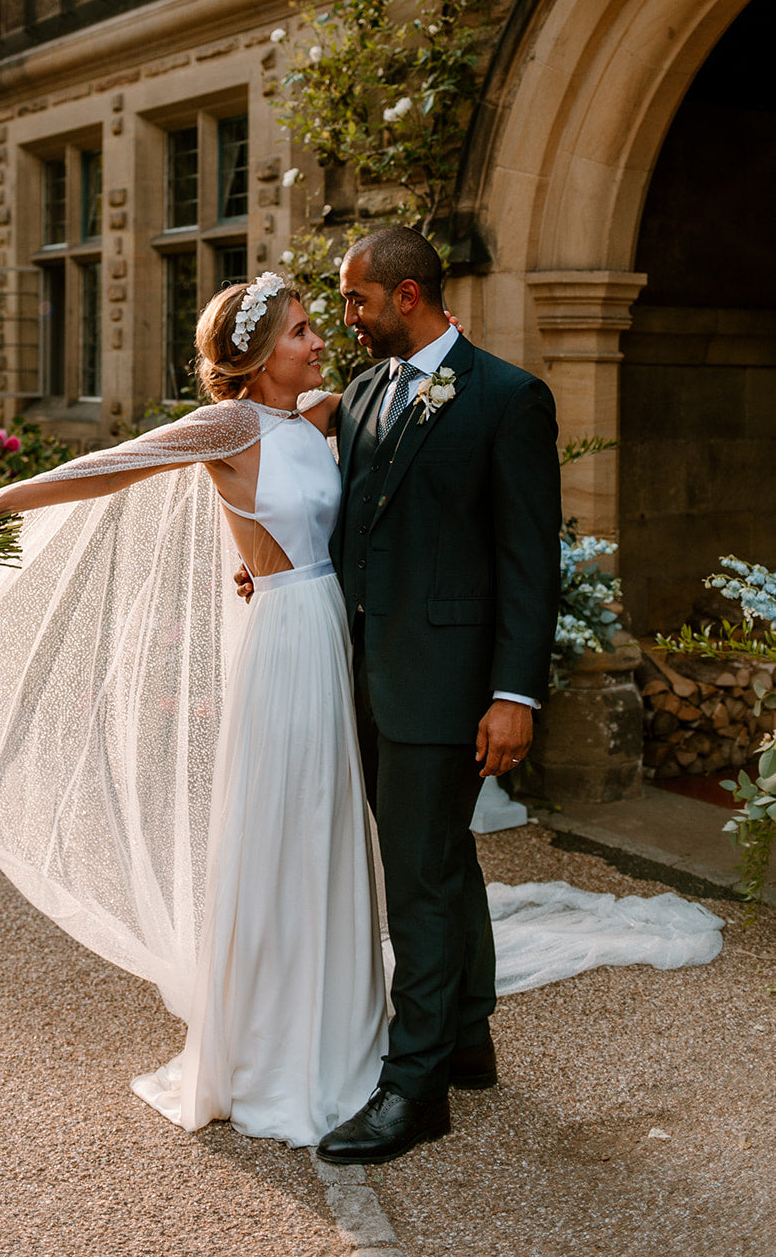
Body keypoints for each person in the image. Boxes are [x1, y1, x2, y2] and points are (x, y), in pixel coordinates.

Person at [0, 271, 386, 1150]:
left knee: (323, 816)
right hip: (281, 636)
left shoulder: (309, 417)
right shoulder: (231, 423)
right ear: (256, 352)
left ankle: (334, 1010)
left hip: (321, 627)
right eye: (303, 331)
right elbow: (106, 469)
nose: (319, 342)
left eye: (316, 328)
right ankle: (272, 1042)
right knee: (280, 819)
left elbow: (340, 466)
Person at [311, 225, 563, 1164]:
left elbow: (529, 559)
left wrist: (515, 695)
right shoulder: (368, 393)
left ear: (406, 295)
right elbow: (355, 529)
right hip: (367, 671)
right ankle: (466, 1038)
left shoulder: (506, 398)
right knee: (438, 857)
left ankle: (411, 1089)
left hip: (450, 686)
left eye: (355, 300)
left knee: (413, 879)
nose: (347, 316)